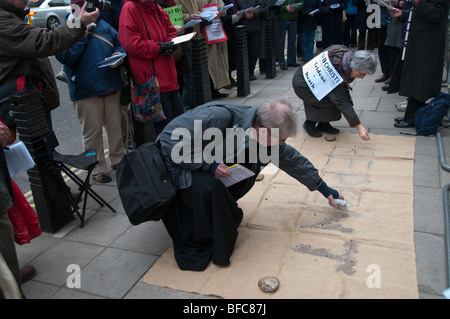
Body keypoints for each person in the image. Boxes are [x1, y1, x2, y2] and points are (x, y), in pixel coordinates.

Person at [157, 97, 345, 271]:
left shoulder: (257, 127)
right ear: (263, 129)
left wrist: (323, 188)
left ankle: (220, 211)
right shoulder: (218, 117)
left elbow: (291, 159)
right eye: (281, 139)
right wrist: (209, 165)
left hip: (203, 160)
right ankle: (199, 225)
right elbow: (168, 143)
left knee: (250, 166)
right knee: (211, 187)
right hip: (175, 166)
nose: (282, 144)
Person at [0, 0, 99, 131]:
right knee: (37, 147)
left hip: (30, 97)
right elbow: (45, 40)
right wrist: (79, 23)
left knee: (42, 145)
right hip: (20, 99)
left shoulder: (10, 16)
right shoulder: (4, 21)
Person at [56, 0, 126, 183]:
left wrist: (118, 54)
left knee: (114, 127)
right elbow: (65, 56)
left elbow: (119, 42)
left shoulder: (103, 23)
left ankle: (118, 160)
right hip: (86, 89)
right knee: (92, 133)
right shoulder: (70, 24)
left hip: (109, 84)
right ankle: (97, 168)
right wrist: (83, 32)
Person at [119, 0, 184, 137]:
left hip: (169, 78)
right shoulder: (130, 8)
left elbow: (170, 30)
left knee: (179, 127)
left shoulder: (156, 7)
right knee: (166, 134)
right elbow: (131, 44)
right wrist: (159, 47)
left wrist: (170, 43)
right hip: (151, 83)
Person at [292, 45, 376, 140]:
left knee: (334, 97)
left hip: (314, 78)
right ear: (354, 67)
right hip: (304, 85)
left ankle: (323, 123)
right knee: (332, 101)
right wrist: (359, 126)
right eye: (361, 74)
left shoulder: (344, 53)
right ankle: (310, 123)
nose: (361, 77)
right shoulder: (337, 72)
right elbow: (341, 101)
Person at [387, 0, 449, 128]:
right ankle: (411, 115)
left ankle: (412, 117)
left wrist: (418, 2)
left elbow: (436, 14)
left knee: (421, 81)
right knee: (416, 80)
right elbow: (419, 14)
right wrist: (402, 14)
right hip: (419, 41)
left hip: (428, 43)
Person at [236, 0, 263, 79]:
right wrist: (244, 15)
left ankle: (251, 72)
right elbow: (235, 9)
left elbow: (260, 6)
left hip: (254, 26)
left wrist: (254, 13)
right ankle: (243, 74)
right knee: (242, 52)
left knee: (253, 51)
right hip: (241, 27)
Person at [277, 0, 303, 70]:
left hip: (293, 18)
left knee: (292, 40)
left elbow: (302, 2)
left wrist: (296, 7)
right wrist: (286, 8)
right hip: (281, 19)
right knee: (281, 42)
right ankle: (281, 62)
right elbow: (276, 4)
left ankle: (291, 61)